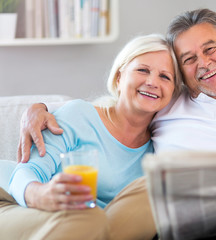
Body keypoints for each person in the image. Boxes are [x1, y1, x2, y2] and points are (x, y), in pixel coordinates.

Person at [16, 9, 216, 240]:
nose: (203, 63)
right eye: (188, 59)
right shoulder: (168, 103)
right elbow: (112, 107)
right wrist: (38, 108)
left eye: (210, 49)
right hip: (179, 229)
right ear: (182, 73)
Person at [0, 34, 182, 240]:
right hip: (14, 202)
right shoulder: (80, 115)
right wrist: (43, 195)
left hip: (86, 227)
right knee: (88, 218)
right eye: (143, 70)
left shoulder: (161, 147)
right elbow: (27, 170)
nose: (152, 82)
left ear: (174, 92)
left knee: (97, 216)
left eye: (165, 77)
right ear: (119, 77)